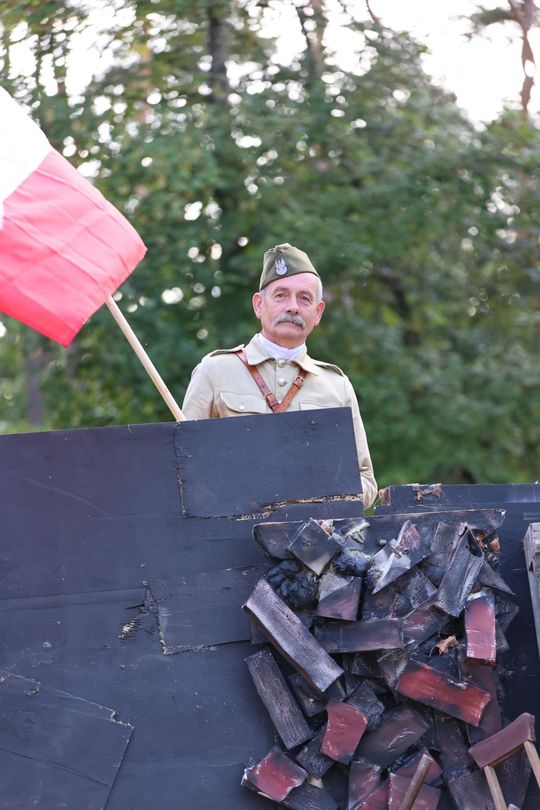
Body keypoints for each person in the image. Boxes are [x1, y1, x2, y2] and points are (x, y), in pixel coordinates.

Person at [182, 243, 377, 507]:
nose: (293, 307)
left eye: (304, 298)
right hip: (229, 529)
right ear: (259, 305)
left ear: (318, 312)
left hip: (312, 532)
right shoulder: (214, 371)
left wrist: (322, 495)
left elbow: (365, 480)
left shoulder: (336, 386)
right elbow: (183, 468)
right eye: (281, 295)